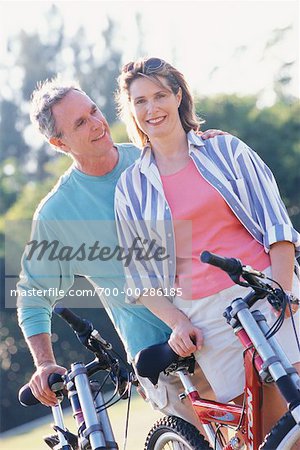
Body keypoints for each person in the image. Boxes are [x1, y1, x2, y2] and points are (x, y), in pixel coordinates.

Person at [17, 77, 225, 426]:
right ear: (58, 142)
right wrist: (43, 364)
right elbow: (33, 295)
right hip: (163, 360)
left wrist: (210, 145)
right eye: (80, 123)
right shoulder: (57, 214)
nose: (98, 124)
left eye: (94, 111)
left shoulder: (153, 157)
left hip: (218, 327)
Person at [114, 56, 300, 436]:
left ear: (178, 96)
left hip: (263, 291)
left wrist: (282, 289)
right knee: (264, 433)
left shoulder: (226, 150)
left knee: (294, 407)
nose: (152, 108)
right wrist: (178, 322)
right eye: (140, 101)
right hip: (205, 317)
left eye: (160, 95)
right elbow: (141, 279)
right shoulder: (131, 188)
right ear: (131, 110)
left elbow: (277, 225)